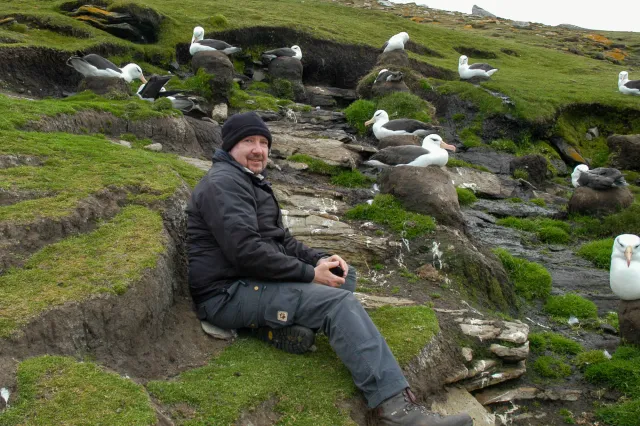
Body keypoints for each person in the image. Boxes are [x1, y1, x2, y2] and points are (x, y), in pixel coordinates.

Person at [186, 111, 473, 426]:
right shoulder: (224, 184)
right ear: (230, 146)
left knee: (342, 275)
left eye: (263, 142)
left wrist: (320, 259)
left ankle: (274, 329)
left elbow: (280, 239)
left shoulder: (248, 180)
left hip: (248, 278)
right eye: (248, 142)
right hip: (226, 293)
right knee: (338, 303)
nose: (258, 149)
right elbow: (246, 252)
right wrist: (310, 275)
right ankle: (396, 410)